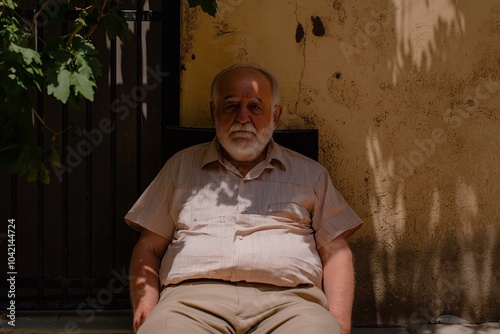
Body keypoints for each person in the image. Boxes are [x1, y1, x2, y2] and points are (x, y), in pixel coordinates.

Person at [126, 63, 363, 334]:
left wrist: (339, 322)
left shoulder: (311, 175)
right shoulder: (179, 167)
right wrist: (146, 307)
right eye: (230, 106)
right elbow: (149, 247)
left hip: (291, 305)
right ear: (213, 113)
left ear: (276, 116)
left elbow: (336, 252)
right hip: (190, 304)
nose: (242, 117)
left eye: (255, 107)